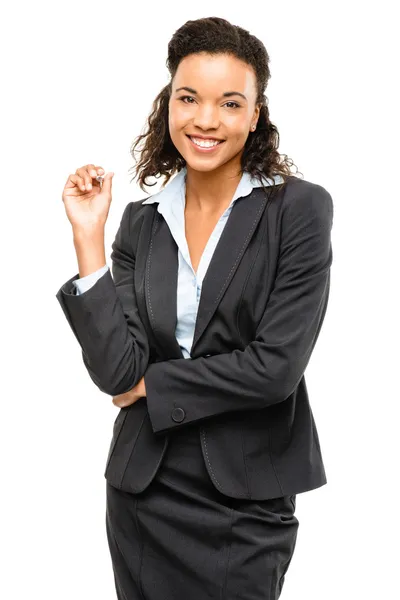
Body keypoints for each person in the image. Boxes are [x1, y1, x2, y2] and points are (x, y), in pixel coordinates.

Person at [56, 16, 333, 600]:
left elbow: (275, 370)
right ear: (168, 106)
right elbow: (114, 372)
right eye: (189, 98)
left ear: (254, 115)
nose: (206, 120)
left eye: (230, 103)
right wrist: (89, 240)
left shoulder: (299, 211)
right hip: (142, 490)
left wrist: (152, 385)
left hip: (246, 497)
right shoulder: (141, 221)